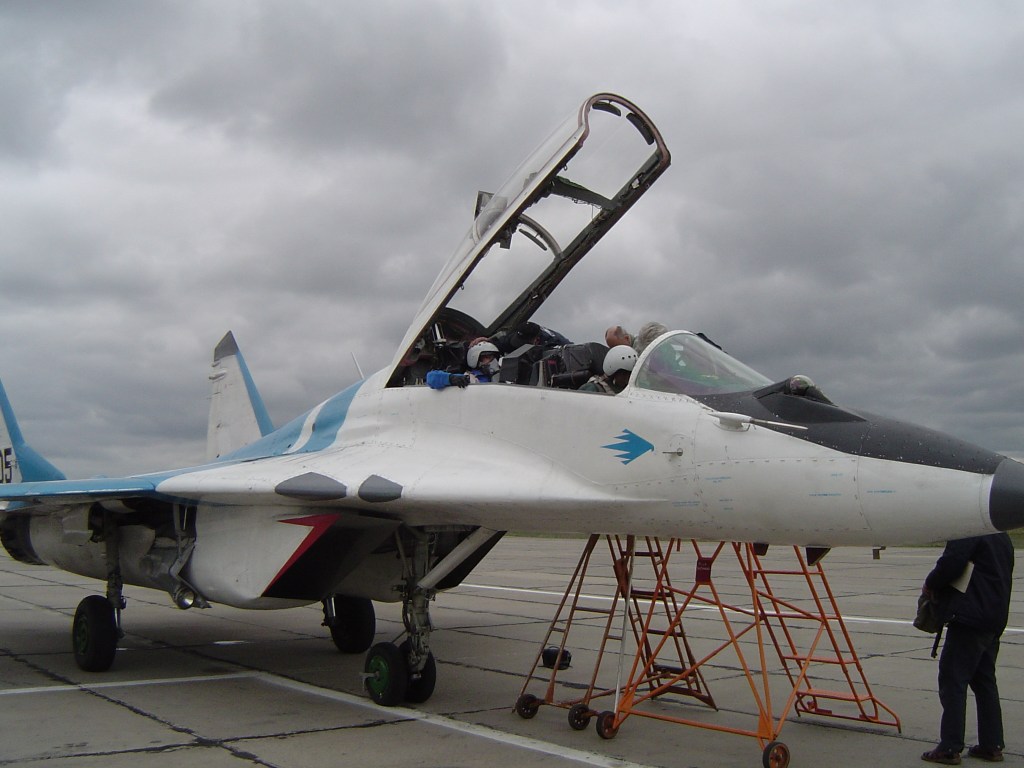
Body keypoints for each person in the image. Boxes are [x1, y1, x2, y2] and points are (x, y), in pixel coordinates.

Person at [920, 533, 1014, 765]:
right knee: (984, 681)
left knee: (953, 679)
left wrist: (931, 583)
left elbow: (952, 562)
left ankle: (950, 747)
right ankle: (992, 745)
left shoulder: (969, 528)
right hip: (994, 616)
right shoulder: (1002, 535)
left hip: (970, 616)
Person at [426, 341, 500, 390]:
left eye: (493, 358)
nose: (493, 361)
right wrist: (451, 379)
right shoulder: (469, 378)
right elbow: (431, 378)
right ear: (475, 358)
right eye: (487, 357)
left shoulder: (501, 376)